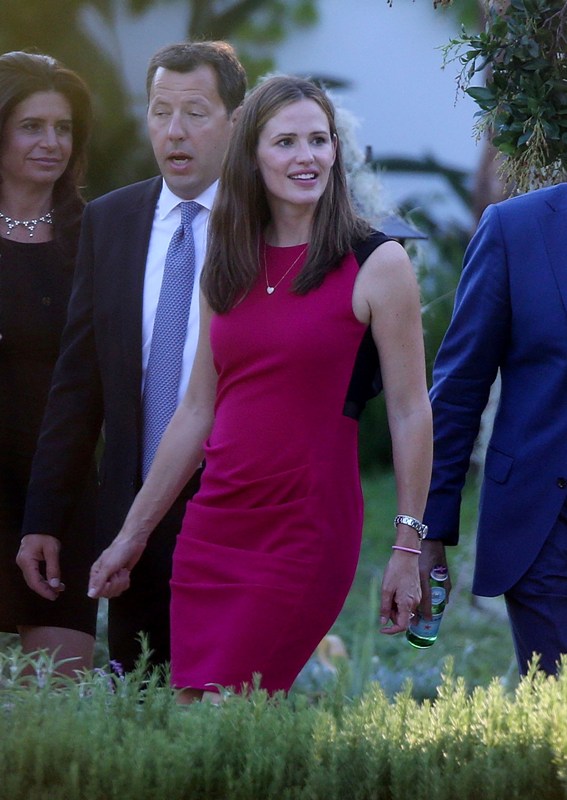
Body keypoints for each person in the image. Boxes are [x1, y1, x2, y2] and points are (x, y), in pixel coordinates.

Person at [87, 75, 433, 702]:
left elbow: (411, 412)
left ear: (336, 150)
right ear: (252, 155)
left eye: (319, 140)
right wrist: (131, 536)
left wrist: (408, 546)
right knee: (195, 714)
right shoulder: (227, 259)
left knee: (227, 708)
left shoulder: (377, 263)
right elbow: (197, 410)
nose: (307, 157)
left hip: (305, 531)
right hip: (213, 528)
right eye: (286, 142)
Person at [16, 41, 247, 673]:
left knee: (227, 692)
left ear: (235, 119)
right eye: (160, 112)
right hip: (132, 513)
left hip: (234, 505)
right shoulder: (111, 220)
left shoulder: (265, 223)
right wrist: (44, 518)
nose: (174, 131)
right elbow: (77, 386)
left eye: (195, 113)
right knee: (139, 691)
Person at [421, 183, 567, 677]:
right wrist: (428, 528)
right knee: (555, 706)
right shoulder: (515, 227)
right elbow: (460, 386)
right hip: (546, 527)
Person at [0, 50, 96, 675]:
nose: (51, 142)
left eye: (63, 128)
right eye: (31, 126)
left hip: (63, 491)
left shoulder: (98, 237)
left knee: (60, 697)